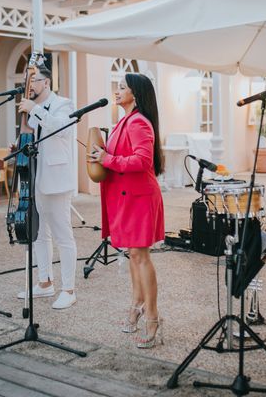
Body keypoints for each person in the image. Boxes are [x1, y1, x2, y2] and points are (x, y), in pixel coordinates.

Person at [87, 72, 165, 349]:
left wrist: (107, 158)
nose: (116, 91)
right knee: (134, 254)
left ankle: (153, 317)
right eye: (117, 87)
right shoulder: (125, 121)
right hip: (128, 196)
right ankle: (136, 304)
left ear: (136, 93)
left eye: (122, 87)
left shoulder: (139, 123)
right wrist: (100, 154)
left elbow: (142, 161)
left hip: (139, 197)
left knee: (141, 257)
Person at [15, 65, 78, 309]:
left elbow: (62, 129)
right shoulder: (33, 110)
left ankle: (69, 289)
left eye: (34, 80)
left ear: (47, 82)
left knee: (63, 235)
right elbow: (34, 138)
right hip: (34, 177)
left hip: (56, 178)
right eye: (27, 82)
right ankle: (44, 282)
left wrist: (35, 110)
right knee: (39, 234)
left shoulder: (64, 103)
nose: (29, 85)